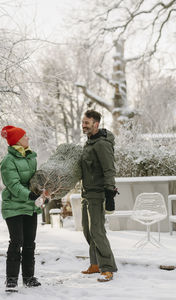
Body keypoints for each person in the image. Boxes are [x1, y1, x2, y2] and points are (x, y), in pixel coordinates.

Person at [0, 125, 43, 292]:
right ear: (17, 140)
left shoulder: (31, 157)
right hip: (14, 206)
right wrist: (30, 195)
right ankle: (11, 279)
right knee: (17, 241)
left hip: (29, 205)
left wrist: (43, 189)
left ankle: (29, 278)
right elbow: (13, 184)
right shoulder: (8, 161)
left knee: (29, 243)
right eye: (25, 136)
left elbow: (34, 180)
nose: (28, 138)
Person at [81, 109, 118, 282]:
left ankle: (108, 267)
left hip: (97, 193)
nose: (83, 125)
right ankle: (95, 264)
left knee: (97, 231)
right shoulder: (89, 143)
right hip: (87, 193)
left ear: (96, 124)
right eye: (83, 122)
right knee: (88, 230)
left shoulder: (102, 144)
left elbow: (109, 169)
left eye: (86, 123)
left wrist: (110, 193)